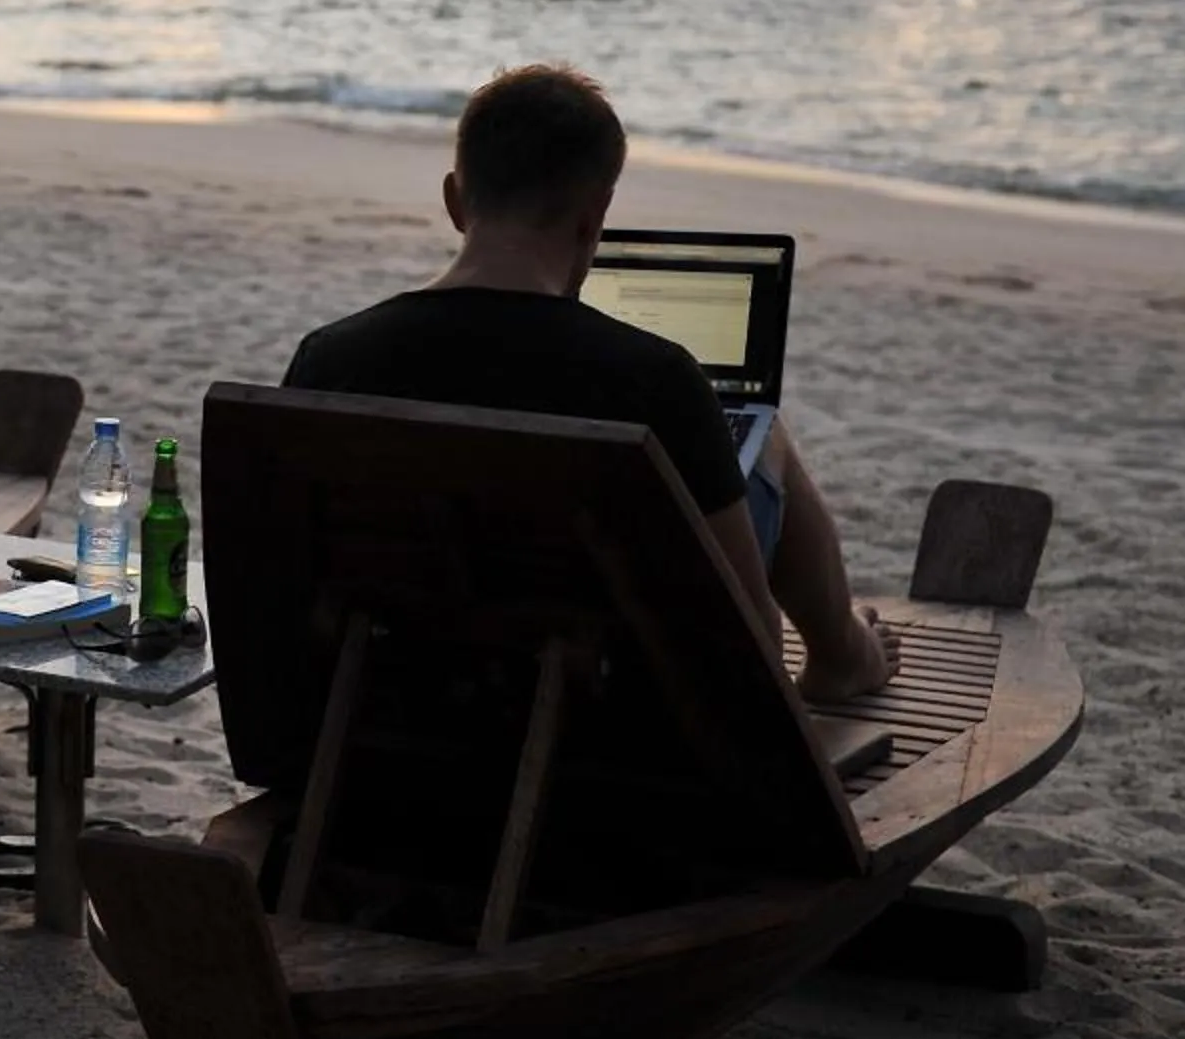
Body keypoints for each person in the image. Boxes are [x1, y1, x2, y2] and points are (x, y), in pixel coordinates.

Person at [284, 64, 900, 701]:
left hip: (394, 705)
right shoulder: (655, 380)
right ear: (593, 219)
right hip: (601, 720)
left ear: (454, 201)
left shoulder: (328, 361)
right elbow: (754, 651)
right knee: (761, 439)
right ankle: (843, 658)